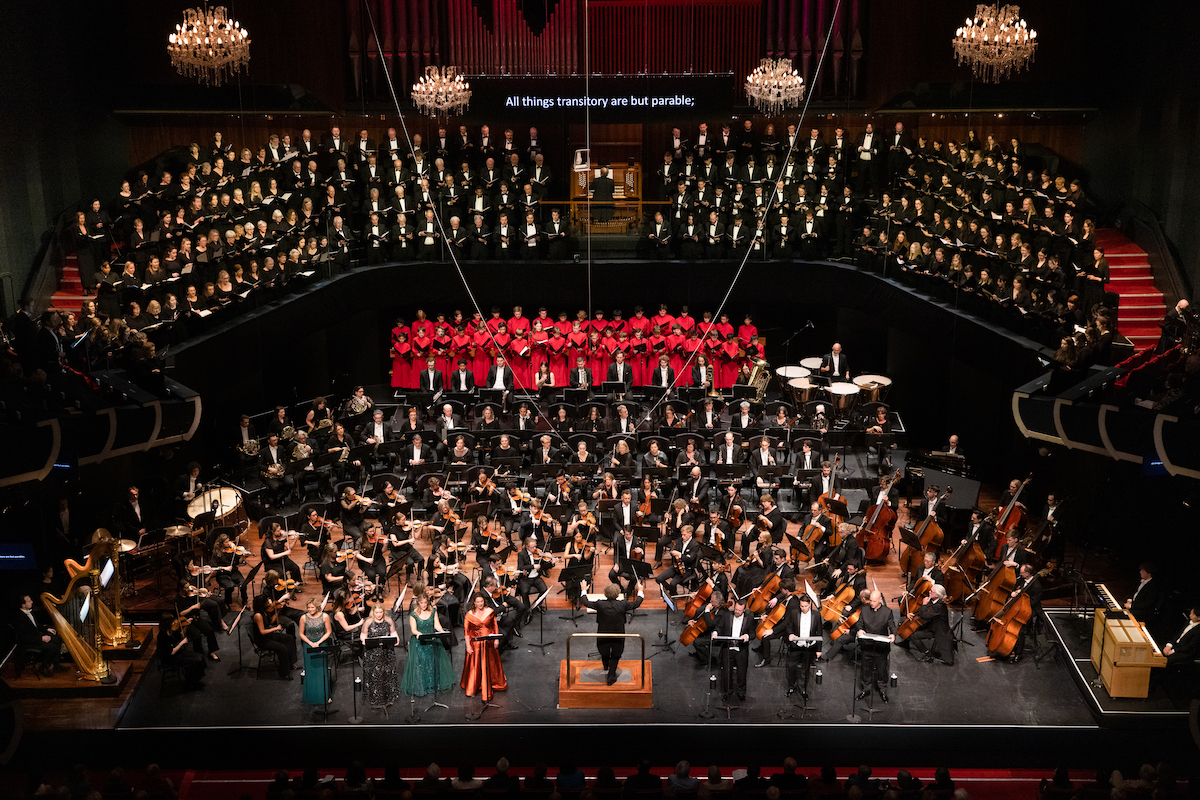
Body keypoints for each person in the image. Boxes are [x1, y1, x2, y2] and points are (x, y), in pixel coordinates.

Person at [579, 581, 645, 685]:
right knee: (616, 655)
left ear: (605, 593)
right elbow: (636, 604)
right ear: (618, 594)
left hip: (603, 634)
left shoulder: (600, 604)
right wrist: (640, 591)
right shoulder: (623, 604)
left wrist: (583, 590)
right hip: (618, 634)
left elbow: (585, 602)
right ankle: (611, 675)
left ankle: (606, 665)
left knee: (604, 652)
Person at [401, 592, 455, 696]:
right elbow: (414, 629)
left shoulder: (433, 611)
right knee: (422, 663)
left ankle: (433, 684)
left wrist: (443, 632)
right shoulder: (413, 614)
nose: (424, 605)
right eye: (422, 603)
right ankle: (423, 685)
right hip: (420, 641)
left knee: (433, 661)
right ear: (418, 603)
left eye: (425, 602)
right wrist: (419, 634)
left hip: (432, 639)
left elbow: (437, 625)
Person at [461, 593, 508, 701]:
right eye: (478, 602)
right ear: (474, 603)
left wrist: (496, 639)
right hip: (476, 644)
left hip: (489, 643)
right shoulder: (469, 614)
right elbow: (466, 631)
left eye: (481, 601)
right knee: (476, 665)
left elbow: (495, 626)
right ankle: (475, 685)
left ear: (484, 601)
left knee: (491, 663)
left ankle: (492, 683)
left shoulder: (490, 611)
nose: (480, 604)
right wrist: (468, 646)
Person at [854, 590, 897, 703]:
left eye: (874, 601)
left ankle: (882, 690)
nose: (871, 603)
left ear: (880, 600)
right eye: (870, 601)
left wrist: (893, 634)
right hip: (867, 645)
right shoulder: (864, 610)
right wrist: (860, 629)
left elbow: (892, 625)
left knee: (881, 670)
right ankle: (866, 689)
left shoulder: (887, 612)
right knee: (865, 669)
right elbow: (859, 623)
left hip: (880, 647)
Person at [361, 602, 401, 709]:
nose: (378, 615)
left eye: (380, 612)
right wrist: (364, 641)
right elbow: (363, 635)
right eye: (376, 612)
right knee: (375, 675)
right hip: (372, 653)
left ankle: (388, 697)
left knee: (387, 673)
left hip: (387, 652)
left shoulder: (388, 620)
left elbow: (393, 632)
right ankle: (375, 698)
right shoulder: (368, 621)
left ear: (383, 612)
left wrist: (396, 638)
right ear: (373, 612)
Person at [784, 592, 824, 698]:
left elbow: (819, 632)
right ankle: (792, 686)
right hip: (796, 645)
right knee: (791, 666)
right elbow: (788, 626)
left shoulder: (816, 615)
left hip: (809, 646)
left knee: (805, 669)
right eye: (801, 606)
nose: (803, 608)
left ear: (810, 604)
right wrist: (790, 634)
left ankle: (802, 688)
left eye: (805, 606)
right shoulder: (794, 613)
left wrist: (819, 649)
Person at [712, 597, 752, 701]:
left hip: (741, 649)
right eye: (736, 609)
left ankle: (741, 692)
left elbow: (753, 633)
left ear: (744, 610)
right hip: (728, 648)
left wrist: (747, 636)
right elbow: (719, 626)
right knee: (726, 672)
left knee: (741, 673)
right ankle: (727, 692)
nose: (737, 612)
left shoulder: (749, 618)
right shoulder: (727, 615)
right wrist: (715, 632)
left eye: (740, 610)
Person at [905, 584, 954, 665]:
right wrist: (914, 613)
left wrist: (924, 604)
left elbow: (925, 615)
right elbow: (922, 611)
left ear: (937, 595)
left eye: (932, 591)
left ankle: (928, 653)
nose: (929, 592)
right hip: (931, 625)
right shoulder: (933, 601)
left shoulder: (939, 606)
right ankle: (905, 643)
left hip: (937, 630)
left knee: (913, 636)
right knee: (912, 630)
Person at [157, 612, 207, 690]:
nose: (175, 621)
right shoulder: (162, 636)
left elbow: (180, 636)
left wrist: (186, 625)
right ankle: (190, 683)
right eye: (172, 620)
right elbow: (171, 652)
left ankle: (193, 681)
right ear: (167, 622)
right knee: (195, 661)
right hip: (170, 658)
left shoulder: (171, 630)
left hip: (177, 653)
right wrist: (181, 643)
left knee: (199, 656)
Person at [15, 594, 61, 677]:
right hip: (28, 643)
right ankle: (43, 667)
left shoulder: (29, 612)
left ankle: (56, 665)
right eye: (29, 601)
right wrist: (41, 638)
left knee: (56, 639)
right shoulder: (20, 618)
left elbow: (36, 625)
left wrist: (47, 629)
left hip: (35, 638)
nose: (32, 602)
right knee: (52, 647)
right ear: (23, 605)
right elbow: (24, 637)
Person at [299, 598, 334, 706]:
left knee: (321, 670)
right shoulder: (303, 618)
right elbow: (301, 633)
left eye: (312, 607)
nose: (310, 609)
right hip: (308, 645)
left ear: (317, 607)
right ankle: (311, 696)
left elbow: (328, 631)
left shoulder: (325, 616)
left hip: (321, 644)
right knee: (310, 670)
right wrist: (311, 643)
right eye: (308, 607)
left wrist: (318, 642)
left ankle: (324, 696)